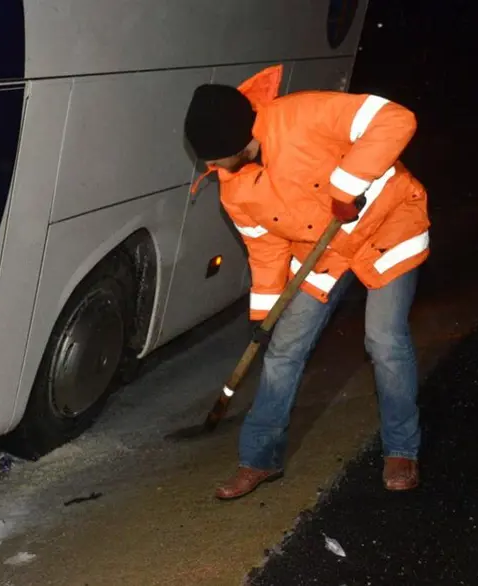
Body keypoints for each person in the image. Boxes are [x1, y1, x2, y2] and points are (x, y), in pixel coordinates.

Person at [183, 65, 430, 499]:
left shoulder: (305, 114)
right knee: (282, 351)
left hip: (386, 229)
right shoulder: (234, 189)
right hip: (325, 252)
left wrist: (347, 184)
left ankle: (401, 449)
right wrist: (263, 316)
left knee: (384, 339)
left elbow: (396, 118)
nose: (209, 166)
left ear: (237, 140)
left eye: (213, 156)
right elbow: (265, 250)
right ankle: (259, 459)